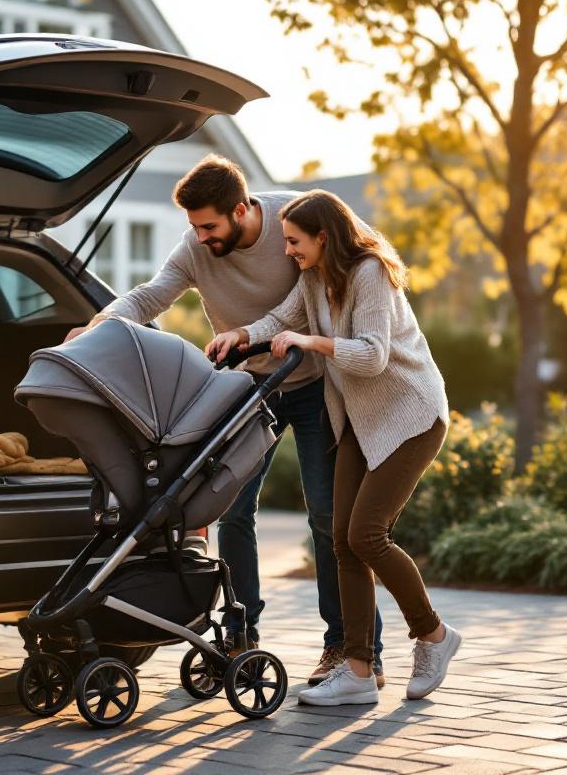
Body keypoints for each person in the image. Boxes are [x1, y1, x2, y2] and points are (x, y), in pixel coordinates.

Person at [66, 155, 385, 684]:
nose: (200, 237)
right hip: (246, 388)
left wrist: (266, 335)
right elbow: (150, 295)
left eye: (209, 226)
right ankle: (240, 635)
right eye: (194, 227)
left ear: (240, 210)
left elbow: (342, 272)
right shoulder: (196, 247)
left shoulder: (294, 221)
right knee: (232, 511)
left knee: (328, 519)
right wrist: (99, 325)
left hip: (312, 386)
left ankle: (352, 647)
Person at [221, 189, 460, 705]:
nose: (288, 251)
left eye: (295, 241)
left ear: (324, 237)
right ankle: (357, 669)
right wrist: (241, 335)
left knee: (367, 535)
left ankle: (434, 635)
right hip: (359, 418)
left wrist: (312, 343)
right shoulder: (313, 277)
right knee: (341, 539)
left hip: (410, 415)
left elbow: (372, 356)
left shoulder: (370, 272)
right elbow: (281, 320)